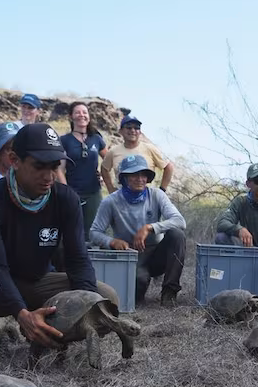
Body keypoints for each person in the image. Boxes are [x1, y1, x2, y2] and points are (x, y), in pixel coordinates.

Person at [0, 123, 119, 344]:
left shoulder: (66, 199)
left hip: (39, 282)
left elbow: (78, 258)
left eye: (54, 167)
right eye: (39, 167)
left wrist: (86, 303)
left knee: (105, 298)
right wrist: (21, 314)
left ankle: (51, 335)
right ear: (14, 160)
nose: (48, 176)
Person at [90, 154, 187, 306]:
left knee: (177, 234)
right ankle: (140, 281)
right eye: (134, 175)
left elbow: (180, 221)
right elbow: (94, 232)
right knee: (136, 293)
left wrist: (150, 227)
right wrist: (112, 242)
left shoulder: (156, 195)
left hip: (156, 253)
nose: (140, 179)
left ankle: (169, 293)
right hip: (130, 256)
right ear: (123, 178)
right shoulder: (111, 201)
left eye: (143, 175)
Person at [60, 101, 107, 231]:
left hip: (93, 192)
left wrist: (103, 175)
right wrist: (66, 192)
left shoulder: (96, 139)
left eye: (84, 112)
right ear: (71, 117)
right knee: (72, 229)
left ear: (89, 116)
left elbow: (109, 160)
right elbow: (59, 170)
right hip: (73, 191)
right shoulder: (64, 140)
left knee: (94, 230)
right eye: (77, 112)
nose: (82, 115)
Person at [100, 115, 174, 193]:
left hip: (146, 198)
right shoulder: (113, 151)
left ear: (140, 132)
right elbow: (104, 168)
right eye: (128, 127)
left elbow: (168, 167)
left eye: (136, 128)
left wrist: (162, 190)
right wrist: (110, 188)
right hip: (121, 198)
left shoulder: (150, 149)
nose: (132, 130)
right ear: (121, 131)